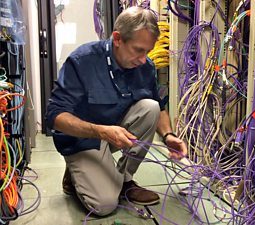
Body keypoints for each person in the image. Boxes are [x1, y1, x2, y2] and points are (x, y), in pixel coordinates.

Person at [45, 6, 187, 216]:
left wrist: (168, 136)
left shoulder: (144, 66)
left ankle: (125, 180)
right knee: (104, 205)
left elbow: (159, 106)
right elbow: (54, 116)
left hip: (113, 134)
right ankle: (75, 174)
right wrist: (100, 131)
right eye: (138, 50)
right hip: (80, 140)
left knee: (151, 107)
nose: (143, 58)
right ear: (118, 39)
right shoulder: (83, 61)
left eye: (147, 51)